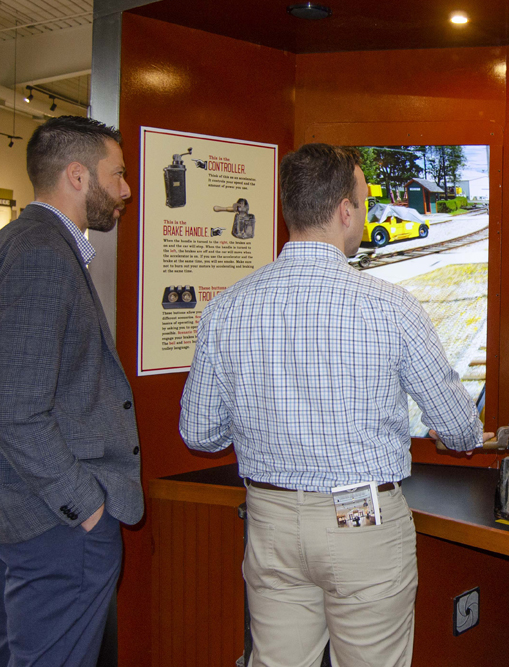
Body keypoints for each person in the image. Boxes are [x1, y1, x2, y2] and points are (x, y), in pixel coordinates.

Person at [179, 143, 485, 667]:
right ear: (345, 210)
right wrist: (462, 436)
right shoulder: (392, 308)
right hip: (362, 524)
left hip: (269, 521)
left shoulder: (227, 309)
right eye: (364, 204)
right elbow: (459, 427)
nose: (364, 215)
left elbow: (199, 433)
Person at [0, 116, 144, 667]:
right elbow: (14, 411)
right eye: (119, 174)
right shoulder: (42, 255)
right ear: (78, 176)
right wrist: (86, 509)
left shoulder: (1, 247)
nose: (127, 190)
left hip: (11, 513)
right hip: (52, 526)